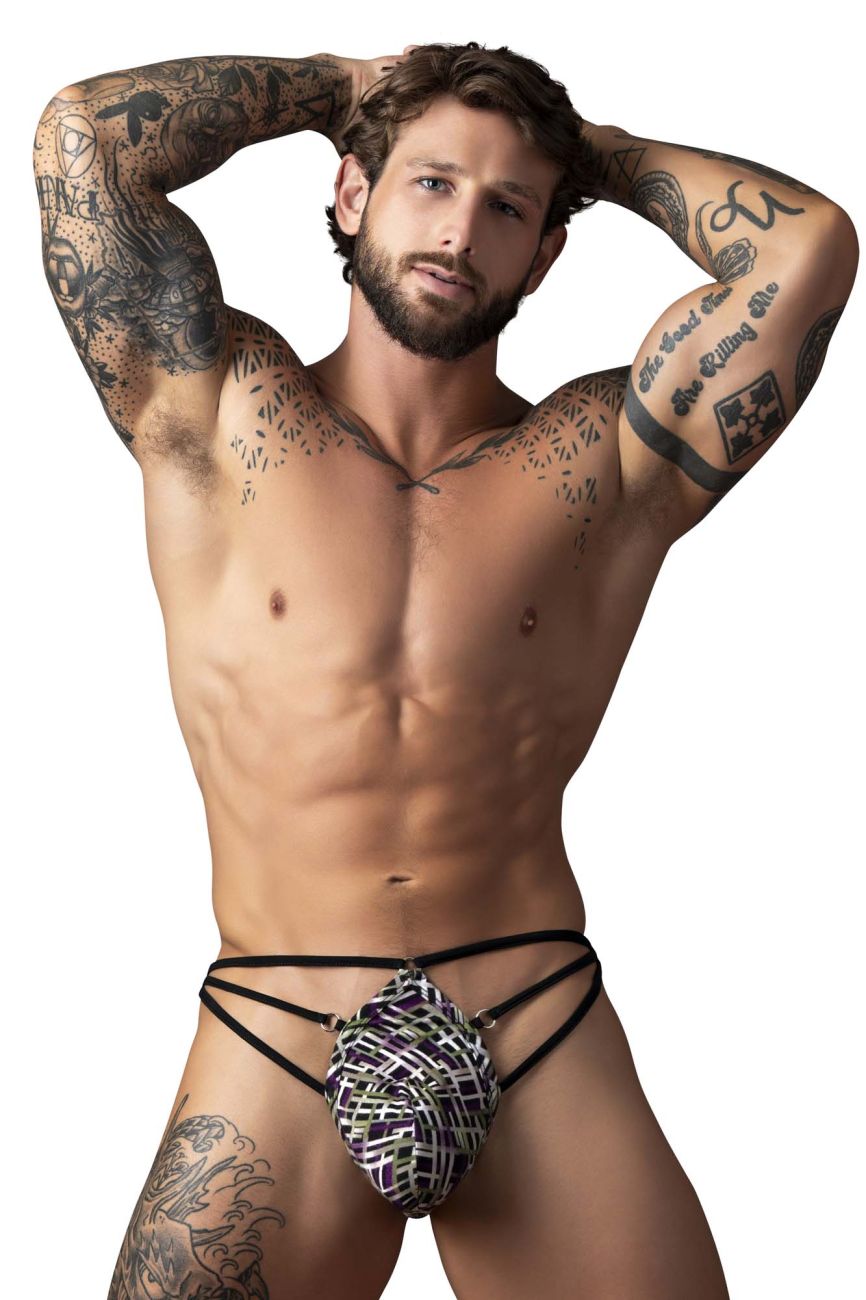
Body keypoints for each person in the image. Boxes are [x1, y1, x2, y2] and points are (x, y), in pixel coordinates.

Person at [34, 40, 857, 1299]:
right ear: (351, 192)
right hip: (277, 1029)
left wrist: (585, 157)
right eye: (429, 182)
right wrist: (336, 89)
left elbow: (807, 249)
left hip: (534, 1021)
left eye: (506, 208)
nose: (460, 231)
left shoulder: (602, 463)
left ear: (545, 251)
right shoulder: (211, 406)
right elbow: (83, 138)